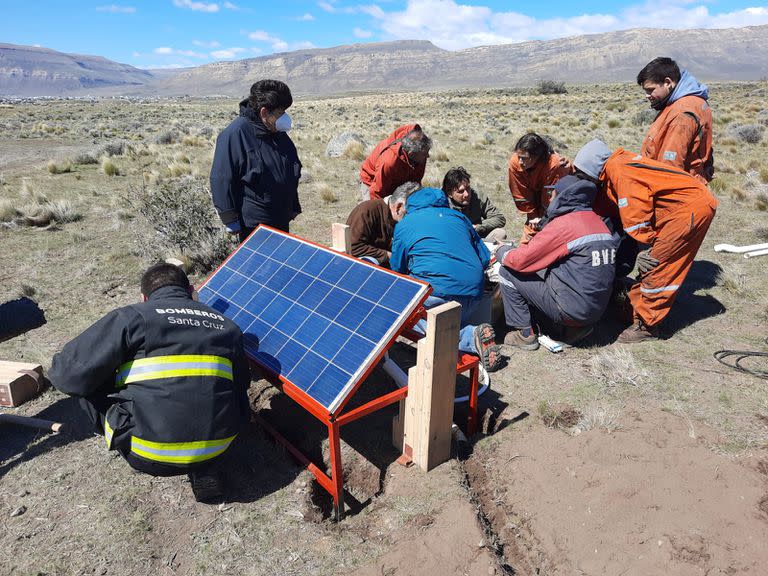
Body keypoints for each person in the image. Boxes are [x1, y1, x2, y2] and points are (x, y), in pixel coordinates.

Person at [48, 263, 252, 503]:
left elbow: (66, 376)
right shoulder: (227, 326)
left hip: (148, 453)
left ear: (144, 297)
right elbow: (242, 386)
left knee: (86, 379)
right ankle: (203, 465)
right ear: (191, 290)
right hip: (219, 446)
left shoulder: (131, 317)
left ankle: (139, 434)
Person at [573, 139, 718, 343]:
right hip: (683, 205)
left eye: (582, 173)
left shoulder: (619, 171)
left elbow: (635, 212)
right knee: (656, 263)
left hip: (688, 210)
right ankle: (637, 308)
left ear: (591, 167)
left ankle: (647, 325)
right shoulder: (617, 165)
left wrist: (644, 248)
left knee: (657, 265)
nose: (581, 178)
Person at [495, 175, 618, 350]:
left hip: (571, 309)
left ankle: (524, 334)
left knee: (508, 272)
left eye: (552, 194)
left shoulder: (564, 224)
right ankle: (575, 329)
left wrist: (501, 251)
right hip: (597, 310)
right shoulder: (598, 222)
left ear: (561, 196)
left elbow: (522, 260)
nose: (550, 198)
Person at [390, 187, 503, 372]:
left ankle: (469, 337)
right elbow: (484, 257)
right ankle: (472, 333)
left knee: (409, 314)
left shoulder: (405, 224)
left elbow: (397, 268)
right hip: (472, 295)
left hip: (434, 294)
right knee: (451, 317)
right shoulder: (460, 218)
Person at [210, 79, 302, 242]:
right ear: (264, 112)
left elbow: (289, 168)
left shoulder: (276, 132)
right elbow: (221, 178)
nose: (285, 117)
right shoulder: (235, 134)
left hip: (281, 217)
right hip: (255, 225)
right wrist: (230, 219)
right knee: (259, 265)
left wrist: (293, 205)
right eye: (281, 113)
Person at [637, 57, 713, 184]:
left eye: (650, 90)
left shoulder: (682, 114)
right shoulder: (691, 100)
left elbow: (670, 166)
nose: (647, 95)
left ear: (667, 82)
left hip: (677, 191)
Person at [507, 133, 572, 244]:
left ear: (537, 156)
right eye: (519, 157)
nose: (520, 162)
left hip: (557, 211)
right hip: (535, 205)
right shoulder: (515, 162)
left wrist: (543, 220)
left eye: (524, 158)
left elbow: (552, 200)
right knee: (526, 245)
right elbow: (520, 193)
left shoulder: (555, 165)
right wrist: (533, 216)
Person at [346, 181, 420, 267]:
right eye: (409, 213)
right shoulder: (366, 212)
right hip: (366, 266)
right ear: (398, 207)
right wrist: (386, 255)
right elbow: (354, 247)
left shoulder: (399, 217)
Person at [359, 124, 431, 201]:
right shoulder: (389, 162)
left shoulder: (420, 153)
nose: (427, 156)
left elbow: (415, 183)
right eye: (424, 154)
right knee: (372, 209)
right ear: (411, 154)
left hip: (397, 183)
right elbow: (377, 192)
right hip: (372, 181)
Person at [443, 166, 507, 243]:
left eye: (468, 188)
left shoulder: (478, 196)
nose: (466, 194)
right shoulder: (441, 202)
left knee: (500, 233)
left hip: (476, 238)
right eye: (461, 191)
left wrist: (477, 227)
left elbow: (499, 218)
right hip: (453, 241)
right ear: (450, 193)